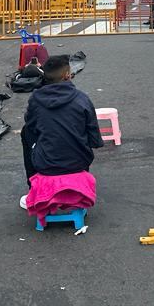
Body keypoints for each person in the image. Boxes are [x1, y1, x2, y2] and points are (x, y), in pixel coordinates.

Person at [20, 55, 104, 213]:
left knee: (26, 132)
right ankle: (76, 184)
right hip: (79, 161)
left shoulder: (36, 99)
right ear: (67, 75)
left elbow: (31, 126)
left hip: (45, 163)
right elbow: (94, 140)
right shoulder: (82, 99)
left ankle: (33, 189)